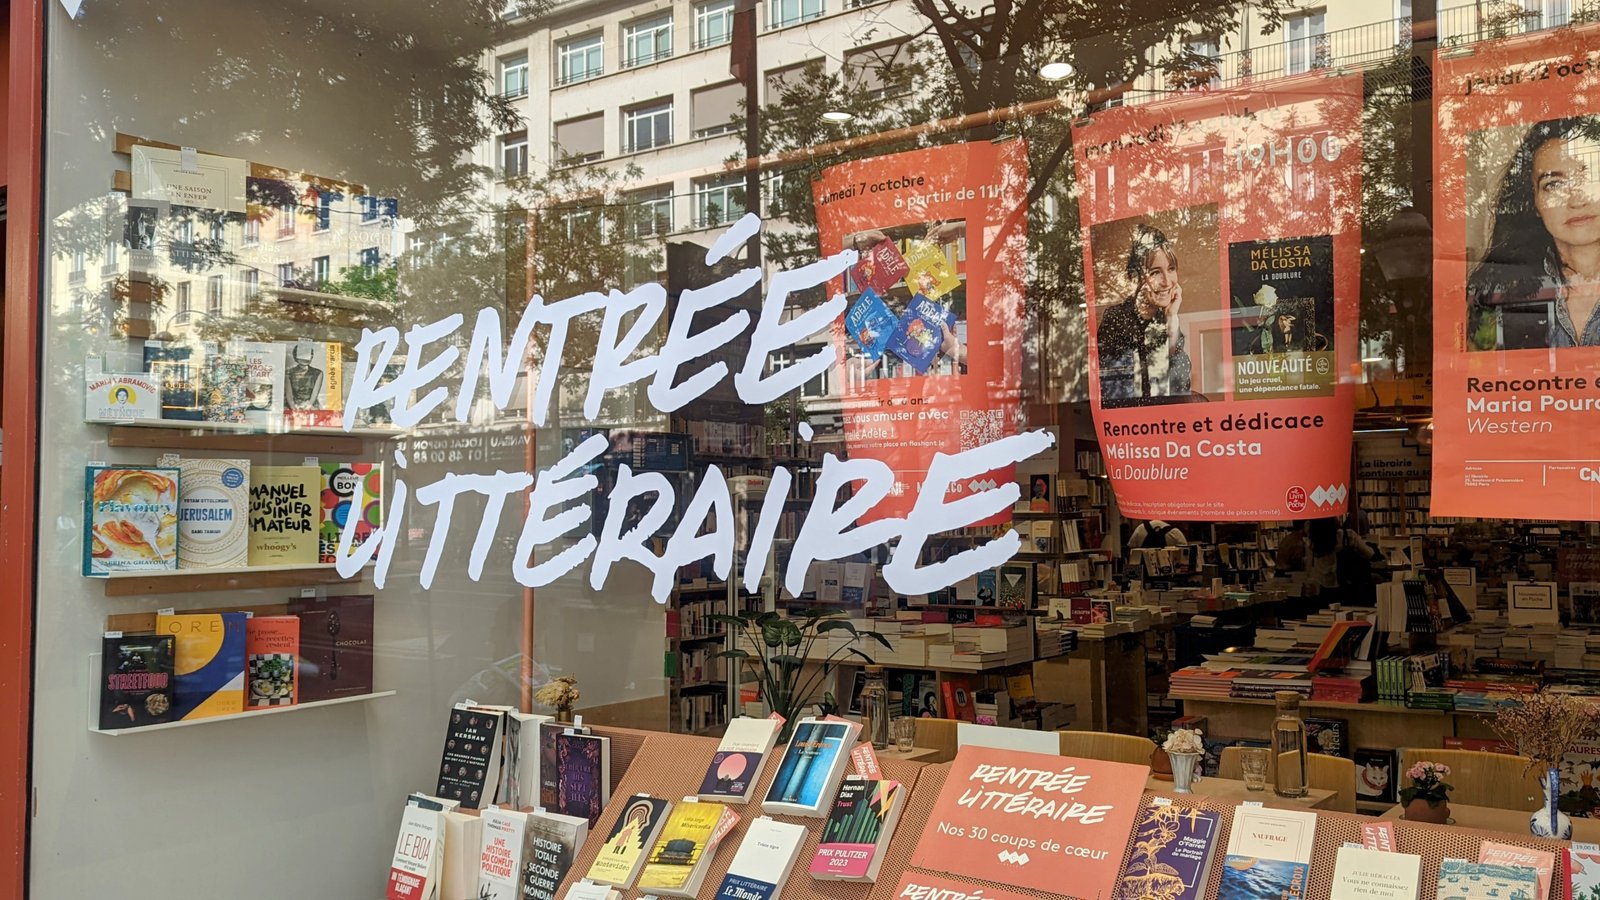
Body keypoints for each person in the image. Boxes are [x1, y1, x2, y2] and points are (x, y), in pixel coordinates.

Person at [1468, 116, 1600, 350]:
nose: (1577, 199)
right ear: (1534, 203)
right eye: (1554, 184)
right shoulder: (1499, 291)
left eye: (1590, 176)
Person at [1097, 223, 1192, 405]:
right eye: (1156, 272)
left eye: (1171, 269)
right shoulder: (1117, 319)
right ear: (1136, 278)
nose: (1166, 282)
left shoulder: (1165, 318)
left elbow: (1181, 388)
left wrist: (1172, 320)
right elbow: (1115, 396)